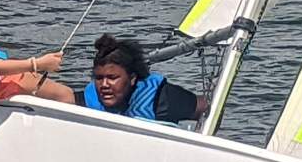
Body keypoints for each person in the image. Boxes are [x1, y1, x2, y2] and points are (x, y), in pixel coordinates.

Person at [77, 35, 207, 124]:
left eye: (112, 78)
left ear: (132, 78)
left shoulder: (162, 99)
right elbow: (58, 96)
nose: (104, 85)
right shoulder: (89, 99)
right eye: (99, 78)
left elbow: (206, 108)